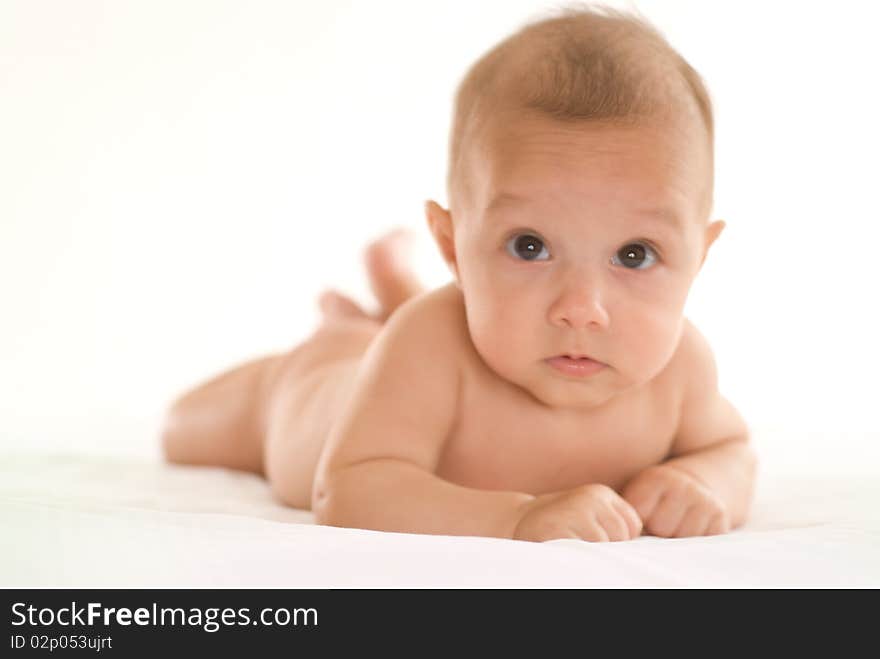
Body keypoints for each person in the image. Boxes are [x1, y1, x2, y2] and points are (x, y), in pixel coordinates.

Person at [161, 4, 757, 542]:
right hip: (315, 392)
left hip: (435, 336)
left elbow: (731, 449)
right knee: (181, 431)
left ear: (698, 257)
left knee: (445, 321)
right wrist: (517, 519)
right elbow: (346, 490)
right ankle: (350, 328)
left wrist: (701, 482)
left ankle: (391, 291)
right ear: (453, 244)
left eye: (634, 255)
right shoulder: (428, 346)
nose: (581, 307)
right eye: (529, 246)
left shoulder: (682, 368)